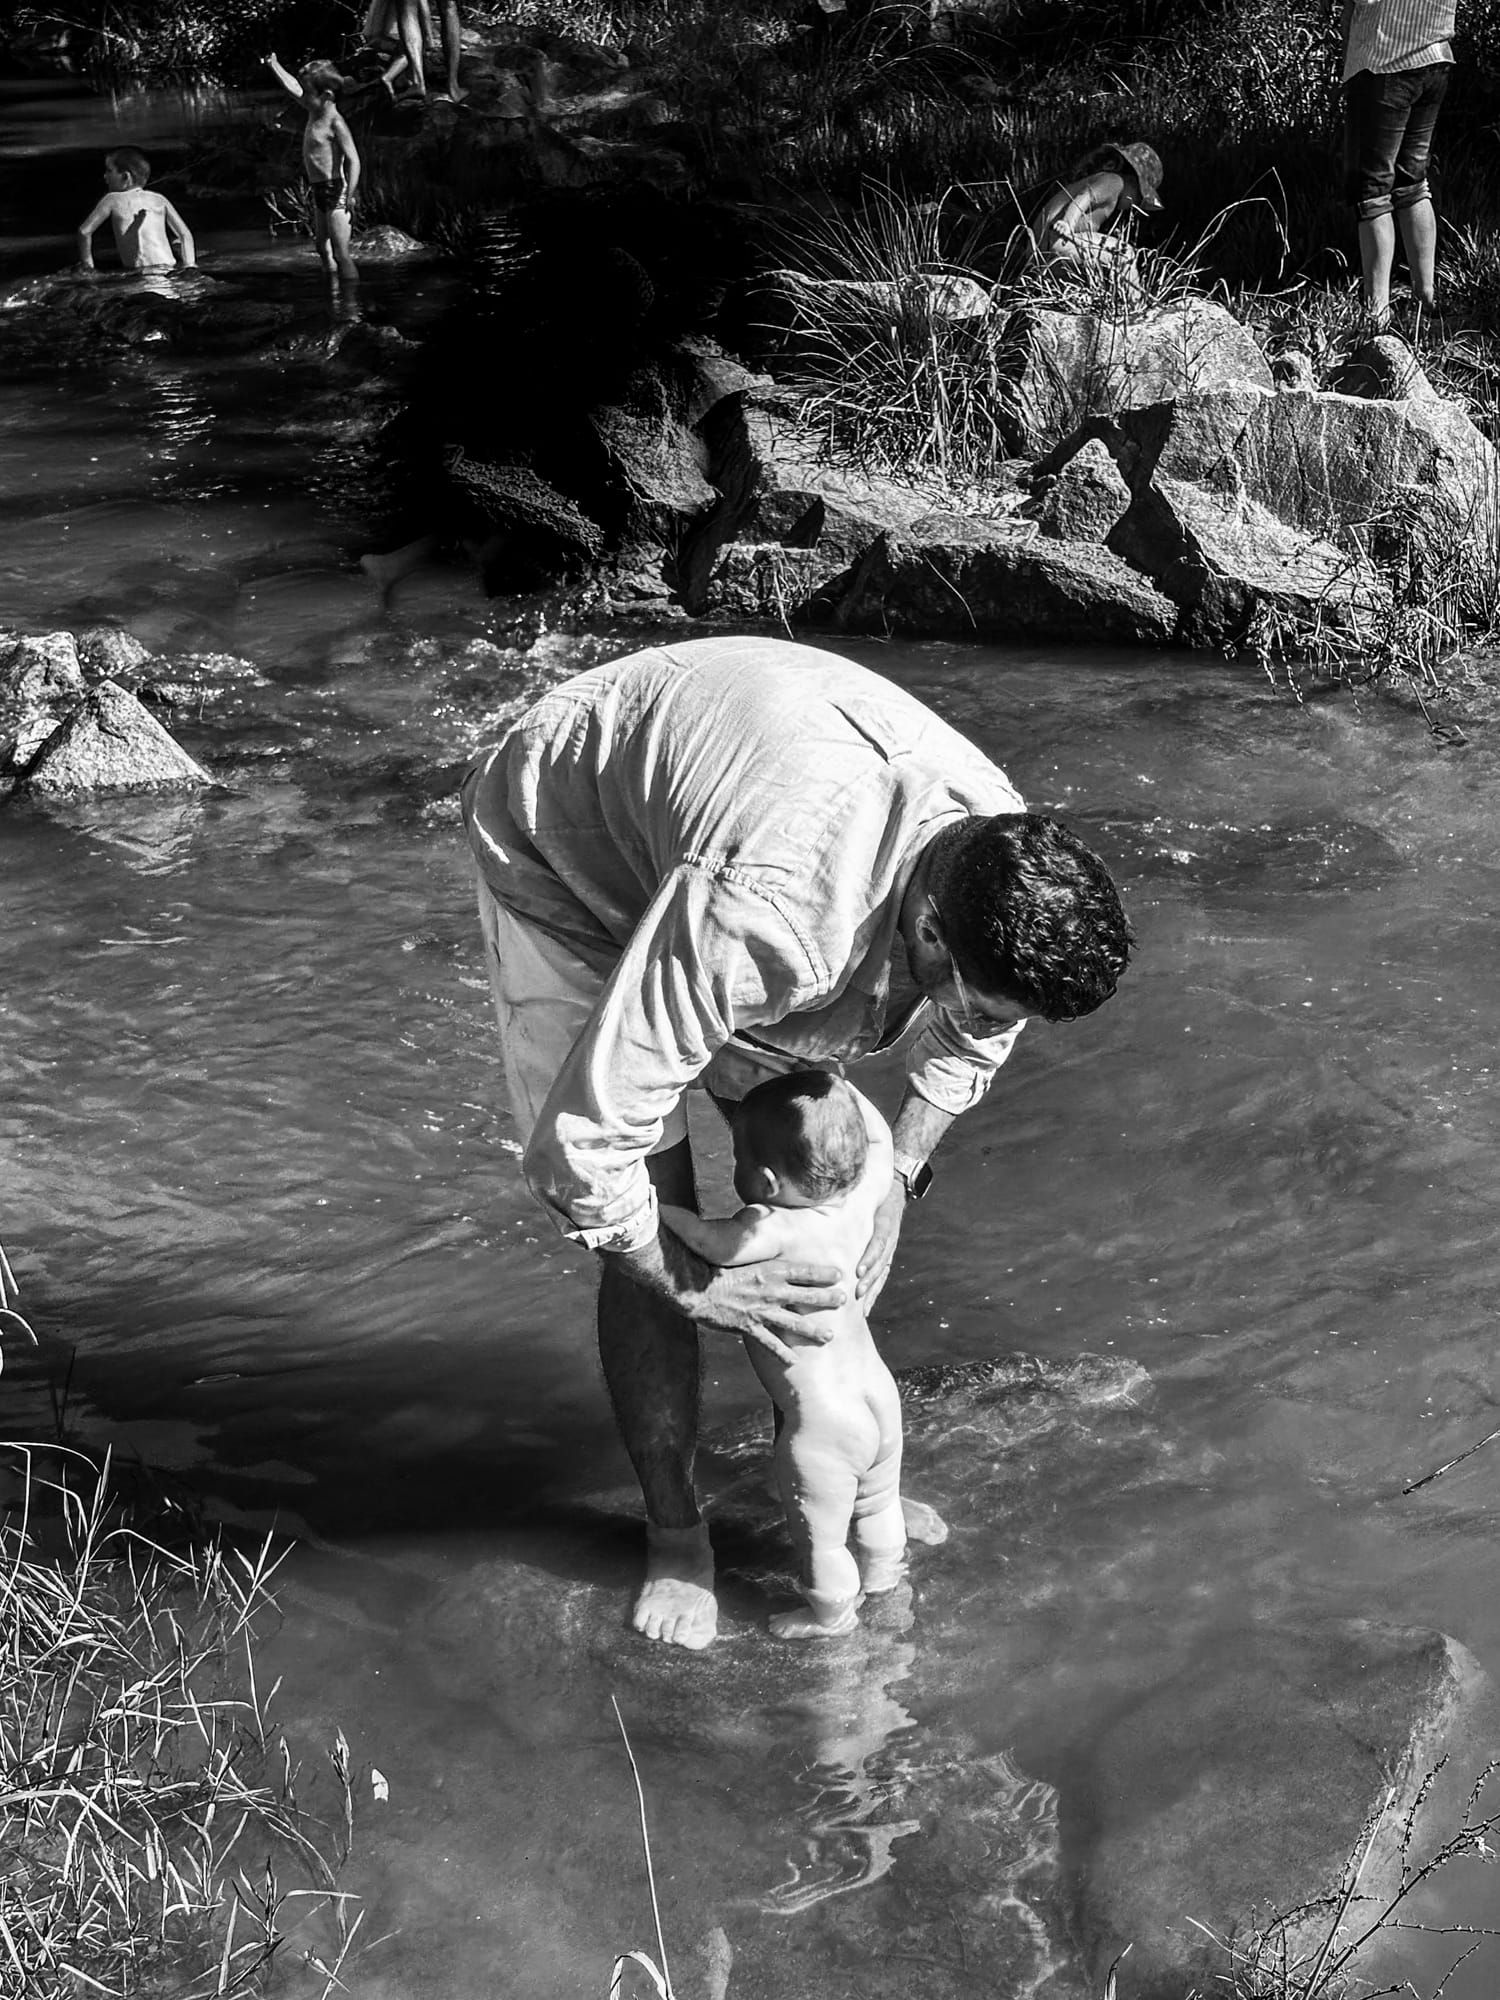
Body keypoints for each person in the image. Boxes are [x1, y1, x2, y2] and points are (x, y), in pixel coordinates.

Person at [460, 634, 1133, 1651]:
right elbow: (583, 1152)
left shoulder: (999, 849)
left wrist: (900, 1168)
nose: (984, 1027)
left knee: (828, 1179)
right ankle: (676, 1533)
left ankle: (854, 1477)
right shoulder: (771, 915)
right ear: (932, 934)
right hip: (563, 847)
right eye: (981, 1004)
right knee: (656, 1202)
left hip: (726, 824)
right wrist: (690, 1277)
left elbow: (969, 1041)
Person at [659, 1073, 945, 1640]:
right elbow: (883, 1142)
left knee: (822, 1539)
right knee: (878, 1502)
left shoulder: (769, 1224)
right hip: (877, 1398)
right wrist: (844, 1086)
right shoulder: (862, 1200)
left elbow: (710, 1243)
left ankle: (831, 1616)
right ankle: (887, 1577)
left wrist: (658, 1210)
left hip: (823, 1424)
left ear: (763, 1178)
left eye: (736, 1157)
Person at [1341, 0, 1455, 328]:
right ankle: (1426, 298)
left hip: (1385, 58)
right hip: (1435, 57)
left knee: (1372, 190)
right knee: (1413, 182)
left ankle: (1376, 313)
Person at [266, 53, 362, 282]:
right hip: (319, 189)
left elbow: (354, 159)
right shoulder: (314, 109)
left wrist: (351, 193)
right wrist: (274, 64)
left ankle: (351, 306)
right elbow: (293, 88)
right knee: (321, 246)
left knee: (341, 253)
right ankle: (333, 288)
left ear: (327, 95)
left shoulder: (335, 122)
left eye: (307, 92)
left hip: (336, 190)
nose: (303, 96)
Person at [1023, 140, 1164, 287]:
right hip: (1056, 243)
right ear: (1132, 181)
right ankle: (1135, 304)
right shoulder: (1115, 181)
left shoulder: (1106, 190)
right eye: (1138, 197)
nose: (1135, 205)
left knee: (1103, 264)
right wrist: (1067, 223)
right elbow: (1084, 197)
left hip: (1039, 253)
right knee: (1125, 253)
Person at [75, 150, 195, 275]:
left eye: (109, 171)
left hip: (138, 272)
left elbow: (84, 232)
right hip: (167, 267)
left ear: (125, 176)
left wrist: (88, 266)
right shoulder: (159, 199)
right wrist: (189, 265)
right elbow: (184, 234)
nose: (105, 176)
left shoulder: (111, 199)